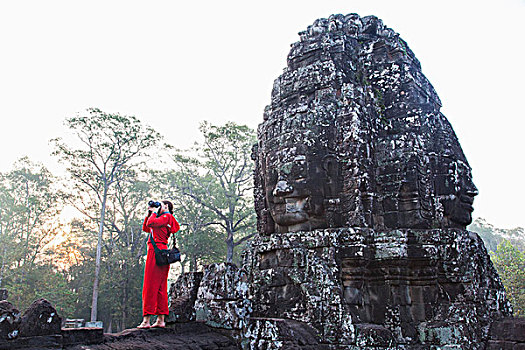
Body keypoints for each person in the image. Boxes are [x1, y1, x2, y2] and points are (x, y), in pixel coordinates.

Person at [137, 200, 180, 329]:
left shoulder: (167, 217)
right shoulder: (161, 218)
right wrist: (150, 212)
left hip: (156, 253)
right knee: (160, 287)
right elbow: (146, 227)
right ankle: (161, 319)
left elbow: (150, 223)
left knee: (150, 285)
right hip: (160, 253)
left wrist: (155, 213)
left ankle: (146, 320)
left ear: (166, 207)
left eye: (161, 205)